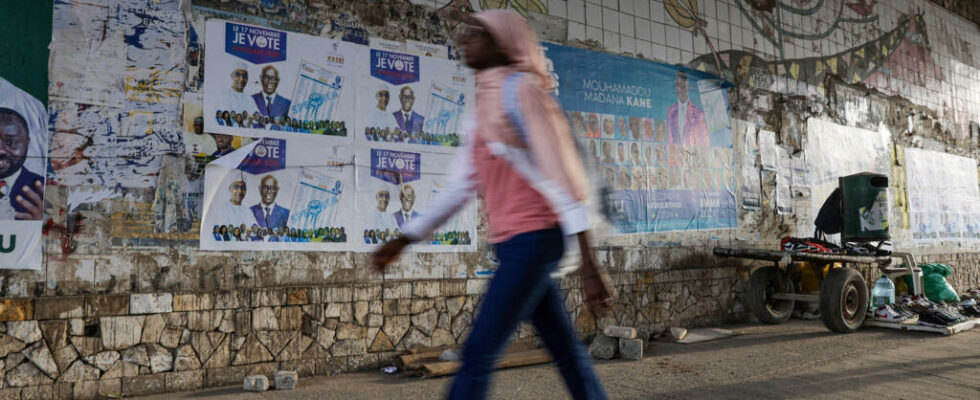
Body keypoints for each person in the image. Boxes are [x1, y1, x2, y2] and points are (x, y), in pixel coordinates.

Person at [372, 11, 612, 400]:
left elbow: (563, 178)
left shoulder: (522, 92)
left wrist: (589, 265)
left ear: (502, 43)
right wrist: (405, 239)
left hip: (535, 241)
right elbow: (460, 185)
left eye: (477, 33)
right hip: (516, 245)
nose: (464, 38)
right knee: (565, 350)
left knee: (478, 351)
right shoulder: (484, 101)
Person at [0, 108, 44, 220]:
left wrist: (44, 224)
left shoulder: (43, 188)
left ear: (27, 143)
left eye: (11, 142)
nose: (1, 150)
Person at [667, 70, 709, 147]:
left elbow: (705, 143)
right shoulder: (670, 111)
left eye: (683, 86)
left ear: (688, 87)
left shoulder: (699, 114)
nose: (680, 89)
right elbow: (669, 141)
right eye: (678, 85)